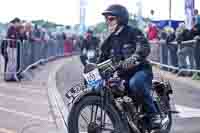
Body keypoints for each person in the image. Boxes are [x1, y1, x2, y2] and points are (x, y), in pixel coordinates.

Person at [98, 4, 161, 129]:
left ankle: (154, 115)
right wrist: (92, 67)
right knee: (109, 89)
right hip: (123, 75)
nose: (107, 22)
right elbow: (101, 58)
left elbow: (143, 46)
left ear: (120, 19)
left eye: (111, 19)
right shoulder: (109, 40)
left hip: (141, 71)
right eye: (106, 19)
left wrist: (135, 57)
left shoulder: (133, 32)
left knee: (135, 83)